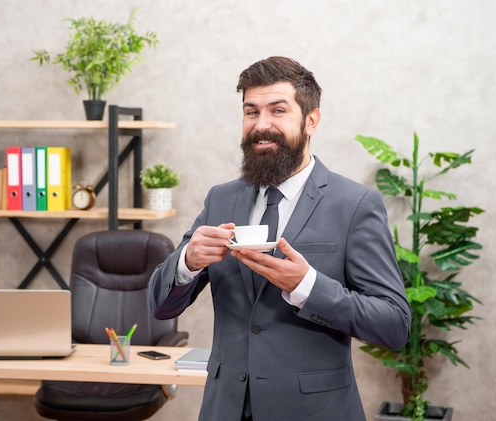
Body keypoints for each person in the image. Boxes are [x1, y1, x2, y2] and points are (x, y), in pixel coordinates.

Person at [148, 56, 411, 421]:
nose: (262, 125)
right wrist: (187, 262)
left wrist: (307, 286)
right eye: (251, 112)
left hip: (315, 412)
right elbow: (160, 307)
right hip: (224, 409)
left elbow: (394, 324)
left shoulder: (354, 205)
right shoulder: (221, 199)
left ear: (311, 121)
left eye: (278, 110)